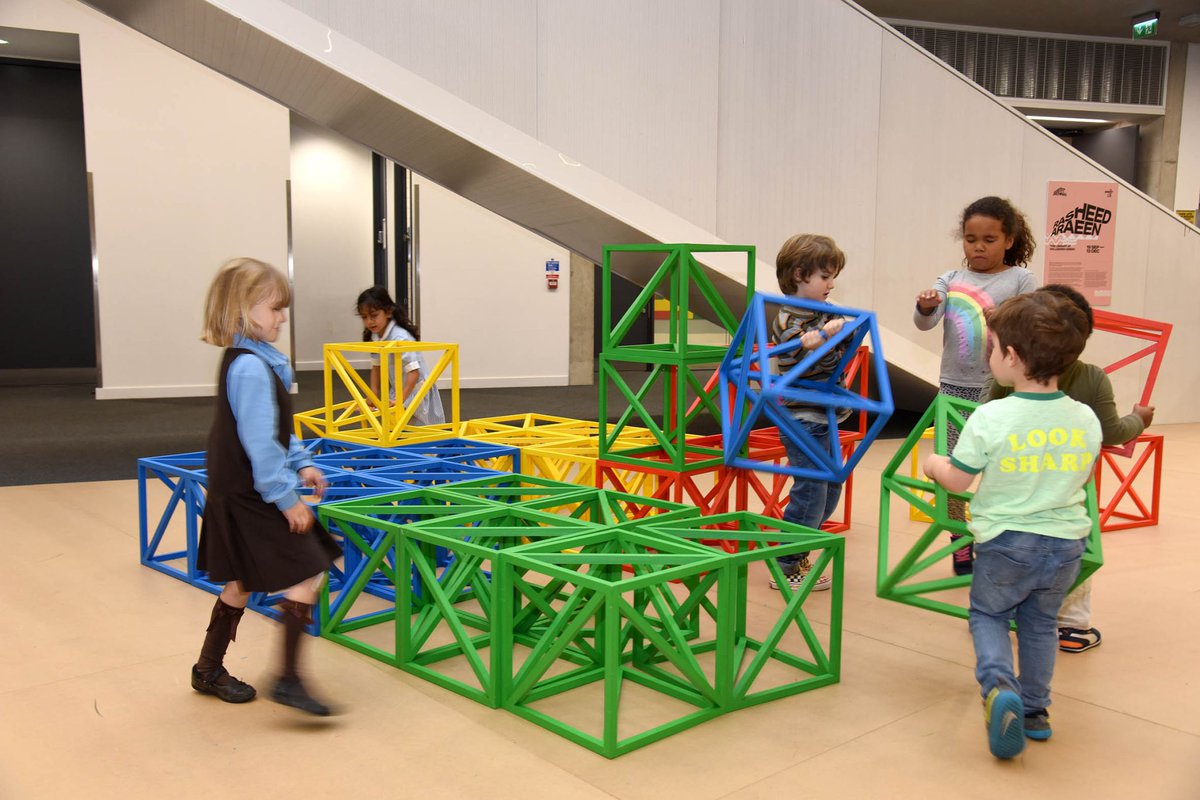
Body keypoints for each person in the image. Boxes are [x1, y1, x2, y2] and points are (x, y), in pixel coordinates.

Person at [924, 291, 1100, 759]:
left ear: (1014, 357)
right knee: (1040, 625)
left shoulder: (992, 416)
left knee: (989, 615)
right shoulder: (1084, 417)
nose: (989, 356)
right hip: (1066, 544)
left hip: (1008, 542)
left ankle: (999, 688)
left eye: (994, 347)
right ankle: (1036, 711)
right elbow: (1082, 475)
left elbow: (958, 480)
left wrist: (933, 464)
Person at [192, 258, 342, 716]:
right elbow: (260, 444)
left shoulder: (253, 361)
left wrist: (302, 463)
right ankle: (289, 680)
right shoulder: (252, 368)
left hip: (238, 490)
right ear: (243, 308)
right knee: (308, 570)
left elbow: (273, 429)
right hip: (251, 495)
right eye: (275, 309)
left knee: (241, 581)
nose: (282, 318)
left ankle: (207, 669)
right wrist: (287, 499)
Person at [985, 284, 1155, 654]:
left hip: (1011, 484)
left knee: (1008, 543)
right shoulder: (1092, 377)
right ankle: (1071, 626)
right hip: (1068, 489)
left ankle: (996, 616)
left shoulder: (1008, 375)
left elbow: (987, 414)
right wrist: (1139, 420)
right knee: (1071, 546)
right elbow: (1112, 432)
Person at [914, 196, 1038, 575]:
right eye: (971, 239)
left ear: (1009, 240)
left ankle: (999, 537)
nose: (978, 247)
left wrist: (1006, 317)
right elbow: (925, 323)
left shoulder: (1021, 280)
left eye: (989, 239)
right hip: (953, 388)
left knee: (1002, 467)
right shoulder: (950, 279)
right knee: (953, 467)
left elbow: (1033, 328)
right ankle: (959, 540)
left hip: (1000, 390)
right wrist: (925, 306)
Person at [767, 233, 851, 592]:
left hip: (825, 412)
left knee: (830, 485)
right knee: (811, 488)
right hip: (801, 417)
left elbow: (844, 350)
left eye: (833, 277)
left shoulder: (824, 311)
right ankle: (786, 564)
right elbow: (799, 358)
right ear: (799, 275)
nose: (831, 284)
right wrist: (819, 341)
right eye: (825, 277)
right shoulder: (787, 318)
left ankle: (799, 550)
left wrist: (840, 333)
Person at [356, 286, 445, 426]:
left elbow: (414, 373)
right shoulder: (376, 336)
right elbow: (376, 367)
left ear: (388, 312)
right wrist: (373, 394)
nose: (369, 321)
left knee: (423, 432)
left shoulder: (400, 338)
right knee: (397, 430)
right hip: (400, 390)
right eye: (364, 317)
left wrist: (400, 400)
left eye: (374, 315)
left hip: (416, 390)